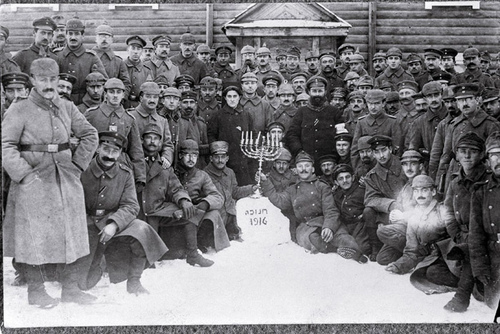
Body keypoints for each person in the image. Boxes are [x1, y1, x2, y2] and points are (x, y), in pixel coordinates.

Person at [2, 58, 99, 307]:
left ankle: (71, 289)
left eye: (53, 79)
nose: (49, 84)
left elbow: (90, 134)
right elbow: (6, 145)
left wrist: (78, 165)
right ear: (32, 80)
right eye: (43, 79)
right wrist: (23, 174)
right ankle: (36, 291)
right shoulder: (19, 108)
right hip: (33, 179)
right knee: (34, 236)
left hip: (66, 178)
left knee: (72, 233)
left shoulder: (66, 106)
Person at [78, 131, 168, 295]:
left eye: (115, 151)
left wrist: (114, 224)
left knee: (141, 229)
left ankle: (134, 280)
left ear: (120, 153)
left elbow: (131, 205)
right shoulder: (82, 170)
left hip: (112, 220)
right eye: (106, 149)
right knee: (84, 282)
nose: (110, 155)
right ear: (97, 148)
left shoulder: (125, 174)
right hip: (85, 222)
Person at [261, 152, 367, 263]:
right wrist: (265, 182)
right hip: (307, 226)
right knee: (311, 239)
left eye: (307, 166)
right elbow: (280, 201)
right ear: (296, 170)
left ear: (312, 169)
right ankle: (333, 249)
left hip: (324, 221)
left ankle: (355, 254)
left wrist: (329, 227)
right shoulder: (292, 189)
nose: (303, 169)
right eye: (300, 166)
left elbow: (330, 210)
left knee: (345, 239)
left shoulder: (322, 186)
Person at [138, 124, 213, 267]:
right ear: (142, 141)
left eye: (156, 139)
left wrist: (184, 201)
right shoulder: (134, 162)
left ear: (161, 143)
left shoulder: (165, 166)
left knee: (190, 212)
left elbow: (176, 188)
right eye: (149, 138)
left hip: (157, 209)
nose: (152, 142)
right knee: (145, 261)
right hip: (140, 211)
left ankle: (192, 255)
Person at [442, 132, 489, 312]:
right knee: (431, 273)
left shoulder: (488, 180)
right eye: (462, 151)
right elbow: (447, 210)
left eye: (473, 151)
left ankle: (462, 297)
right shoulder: (455, 182)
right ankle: (476, 282)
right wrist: (456, 234)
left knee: (472, 248)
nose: (467, 156)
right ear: (457, 155)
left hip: (484, 240)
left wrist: (472, 237)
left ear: (481, 154)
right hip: (460, 237)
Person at [385, 176, 454, 284]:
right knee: (428, 272)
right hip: (429, 257)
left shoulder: (442, 211)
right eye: (416, 191)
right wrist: (399, 266)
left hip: (447, 256)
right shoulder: (414, 216)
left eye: (424, 190)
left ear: (433, 191)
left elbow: (454, 236)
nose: (420, 195)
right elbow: (411, 250)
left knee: (433, 272)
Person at [84, 78, 146, 188]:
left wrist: (140, 177)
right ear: (105, 94)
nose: (115, 96)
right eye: (111, 92)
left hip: (120, 166)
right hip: (94, 165)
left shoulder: (129, 119)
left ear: (123, 95)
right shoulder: (92, 115)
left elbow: (136, 150)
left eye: (119, 92)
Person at [175, 139, 229, 253]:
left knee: (214, 214)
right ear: (180, 156)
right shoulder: (172, 173)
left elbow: (217, 197)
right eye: (187, 155)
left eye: (194, 155)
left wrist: (205, 204)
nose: (191, 159)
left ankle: (200, 241)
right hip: (177, 213)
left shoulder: (201, 175)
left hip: (195, 213)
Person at [285, 76, 344, 173]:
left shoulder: (334, 112)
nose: (317, 94)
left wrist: (334, 157)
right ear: (308, 92)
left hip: (329, 164)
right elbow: (292, 135)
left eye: (320, 91)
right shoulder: (301, 112)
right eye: (314, 91)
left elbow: (341, 136)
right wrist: (299, 152)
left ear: (325, 91)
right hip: (307, 163)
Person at [362, 135, 407, 261]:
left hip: (410, 213)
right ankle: (376, 246)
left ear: (391, 149)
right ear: (372, 154)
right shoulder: (372, 176)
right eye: (377, 152)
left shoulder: (405, 166)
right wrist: (391, 204)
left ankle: (412, 250)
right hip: (391, 215)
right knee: (383, 259)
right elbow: (370, 199)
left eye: (384, 150)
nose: (381, 155)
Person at [375, 150, 423, 265]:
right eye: (405, 164)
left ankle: (417, 253)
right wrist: (394, 214)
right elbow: (399, 204)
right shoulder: (407, 185)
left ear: (420, 166)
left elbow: (425, 212)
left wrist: (403, 216)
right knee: (382, 258)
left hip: (417, 229)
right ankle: (409, 251)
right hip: (404, 227)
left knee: (382, 231)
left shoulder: (423, 184)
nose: (409, 168)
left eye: (413, 164)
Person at [470, 131, 500, 310]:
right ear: (488, 161)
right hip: (494, 255)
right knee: (493, 303)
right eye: (494, 155)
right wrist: (480, 269)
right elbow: (476, 234)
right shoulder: (480, 191)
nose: (499, 160)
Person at [204, 141, 256, 241]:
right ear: (211, 158)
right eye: (216, 157)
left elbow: (235, 192)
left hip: (230, 216)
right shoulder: (204, 174)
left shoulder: (230, 172)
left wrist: (251, 188)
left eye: (223, 157)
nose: (220, 160)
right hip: (215, 217)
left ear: (227, 158)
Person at [208, 86, 255, 186]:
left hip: (243, 160)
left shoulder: (246, 115)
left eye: (235, 96)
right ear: (225, 98)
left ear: (239, 97)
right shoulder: (218, 115)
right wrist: (218, 152)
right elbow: (211, 135)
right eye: (229, 96)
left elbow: (252, 135)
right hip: (225, 160)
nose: (232, 99)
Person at [56, 18, 108, 105]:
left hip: (84, 104)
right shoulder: (57, 55)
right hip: (60, 103)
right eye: (70, 34)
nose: (73, 37)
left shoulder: (91, 57)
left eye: (77, 34)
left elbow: (104, 82)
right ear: (66, 35)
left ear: (82, 36)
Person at [351, 89, 402, 168]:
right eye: (370, 103)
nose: (373, 107)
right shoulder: (361, 122)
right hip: (367, 167)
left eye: (377, 103)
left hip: (388, 166)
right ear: (366, 104)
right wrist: (359, 171)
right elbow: (355, 150)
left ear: (383, 103)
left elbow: (397, 148)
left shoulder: (392, 122)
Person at [130, 81, 174, 169]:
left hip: (156, 165)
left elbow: (167, 144)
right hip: (133, 164)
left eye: (155, 97)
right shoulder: (130, 117)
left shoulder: (162, 121)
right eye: (148, 96)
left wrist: (166, 157)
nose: (152, 100)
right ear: (141, 98)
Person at [332, 164, 371, 256]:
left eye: (347, 177)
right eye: (341, 179)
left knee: (363, 248)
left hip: (360, 225)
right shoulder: (336, 195)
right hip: (345, 225)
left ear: (353, 178)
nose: (345, 181)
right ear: (336, 182)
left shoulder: (362, 191)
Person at [408, 81, 449, 163]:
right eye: (429, 96)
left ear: (442, 95)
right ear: (425, 99)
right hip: (429, 165)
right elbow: (413, 149)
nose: (434, 99)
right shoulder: (419, 122)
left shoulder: (452, 117)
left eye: (436, 95)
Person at [264, 147, 299, 241]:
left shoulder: (295, 176)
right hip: (274, 212)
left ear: (288, 165)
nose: (281, 166)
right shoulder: (268, 178)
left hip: (292, 212)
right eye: (279, 163)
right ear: (274, 164)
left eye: (284, 163)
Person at [92, 24, 131, 100]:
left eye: (107, 36)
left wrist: (120, 99)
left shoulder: (118, 61)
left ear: (112, 39)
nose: (104, 39)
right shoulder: (89, 57)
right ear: (95, 39)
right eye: (101, 36)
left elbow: (126, 83)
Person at [177, 91, 209, 168]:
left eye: (191, 102)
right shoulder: (176, 122)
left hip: (197, 165)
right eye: (185, 102)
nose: (189, 105)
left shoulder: (201, 123)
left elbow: (206, 147)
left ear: (196, 105)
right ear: (180, 104)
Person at [124, 35, 153, 109]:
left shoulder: (147, 70)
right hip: (123, 105)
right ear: (128, 49)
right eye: (133, 48)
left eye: (138, 49)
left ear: (142, 51)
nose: (135, 52)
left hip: (140, 107)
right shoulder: (121, 66)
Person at [396, 80, 421, 150]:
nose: (404, 96)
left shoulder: (421, 114)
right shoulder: (396, 117)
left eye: (407, 93)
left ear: (414, 94)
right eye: (401, 94)